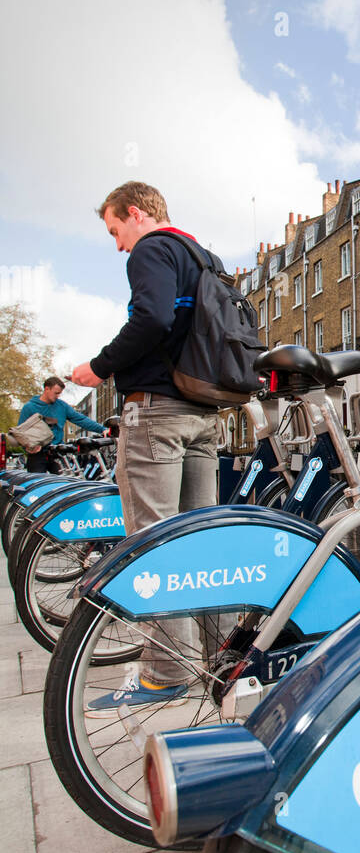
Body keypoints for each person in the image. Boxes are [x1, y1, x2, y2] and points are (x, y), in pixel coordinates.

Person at [70, 181, 219, 714]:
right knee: (200, 541)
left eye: (115, 230)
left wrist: (100, 365)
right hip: (203, 414)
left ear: (136, 214)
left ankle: (164, 672)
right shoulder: (201, 255)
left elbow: (151, 318)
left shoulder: (152, 249)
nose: (117, 245)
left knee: (153, 543)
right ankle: (213, 653)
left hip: (154, 412)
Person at [17, 376, 105, 472]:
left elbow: (81, 419)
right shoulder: (29, 407)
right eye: (56, 393)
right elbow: (20, 432)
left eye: (60, 393)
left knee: (64, 482)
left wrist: (103, 429)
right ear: (47, 389)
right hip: (37, 455)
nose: (58, 396)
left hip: (58, 454)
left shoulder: (62, 406)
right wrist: (27, 447)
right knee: (36, 484)